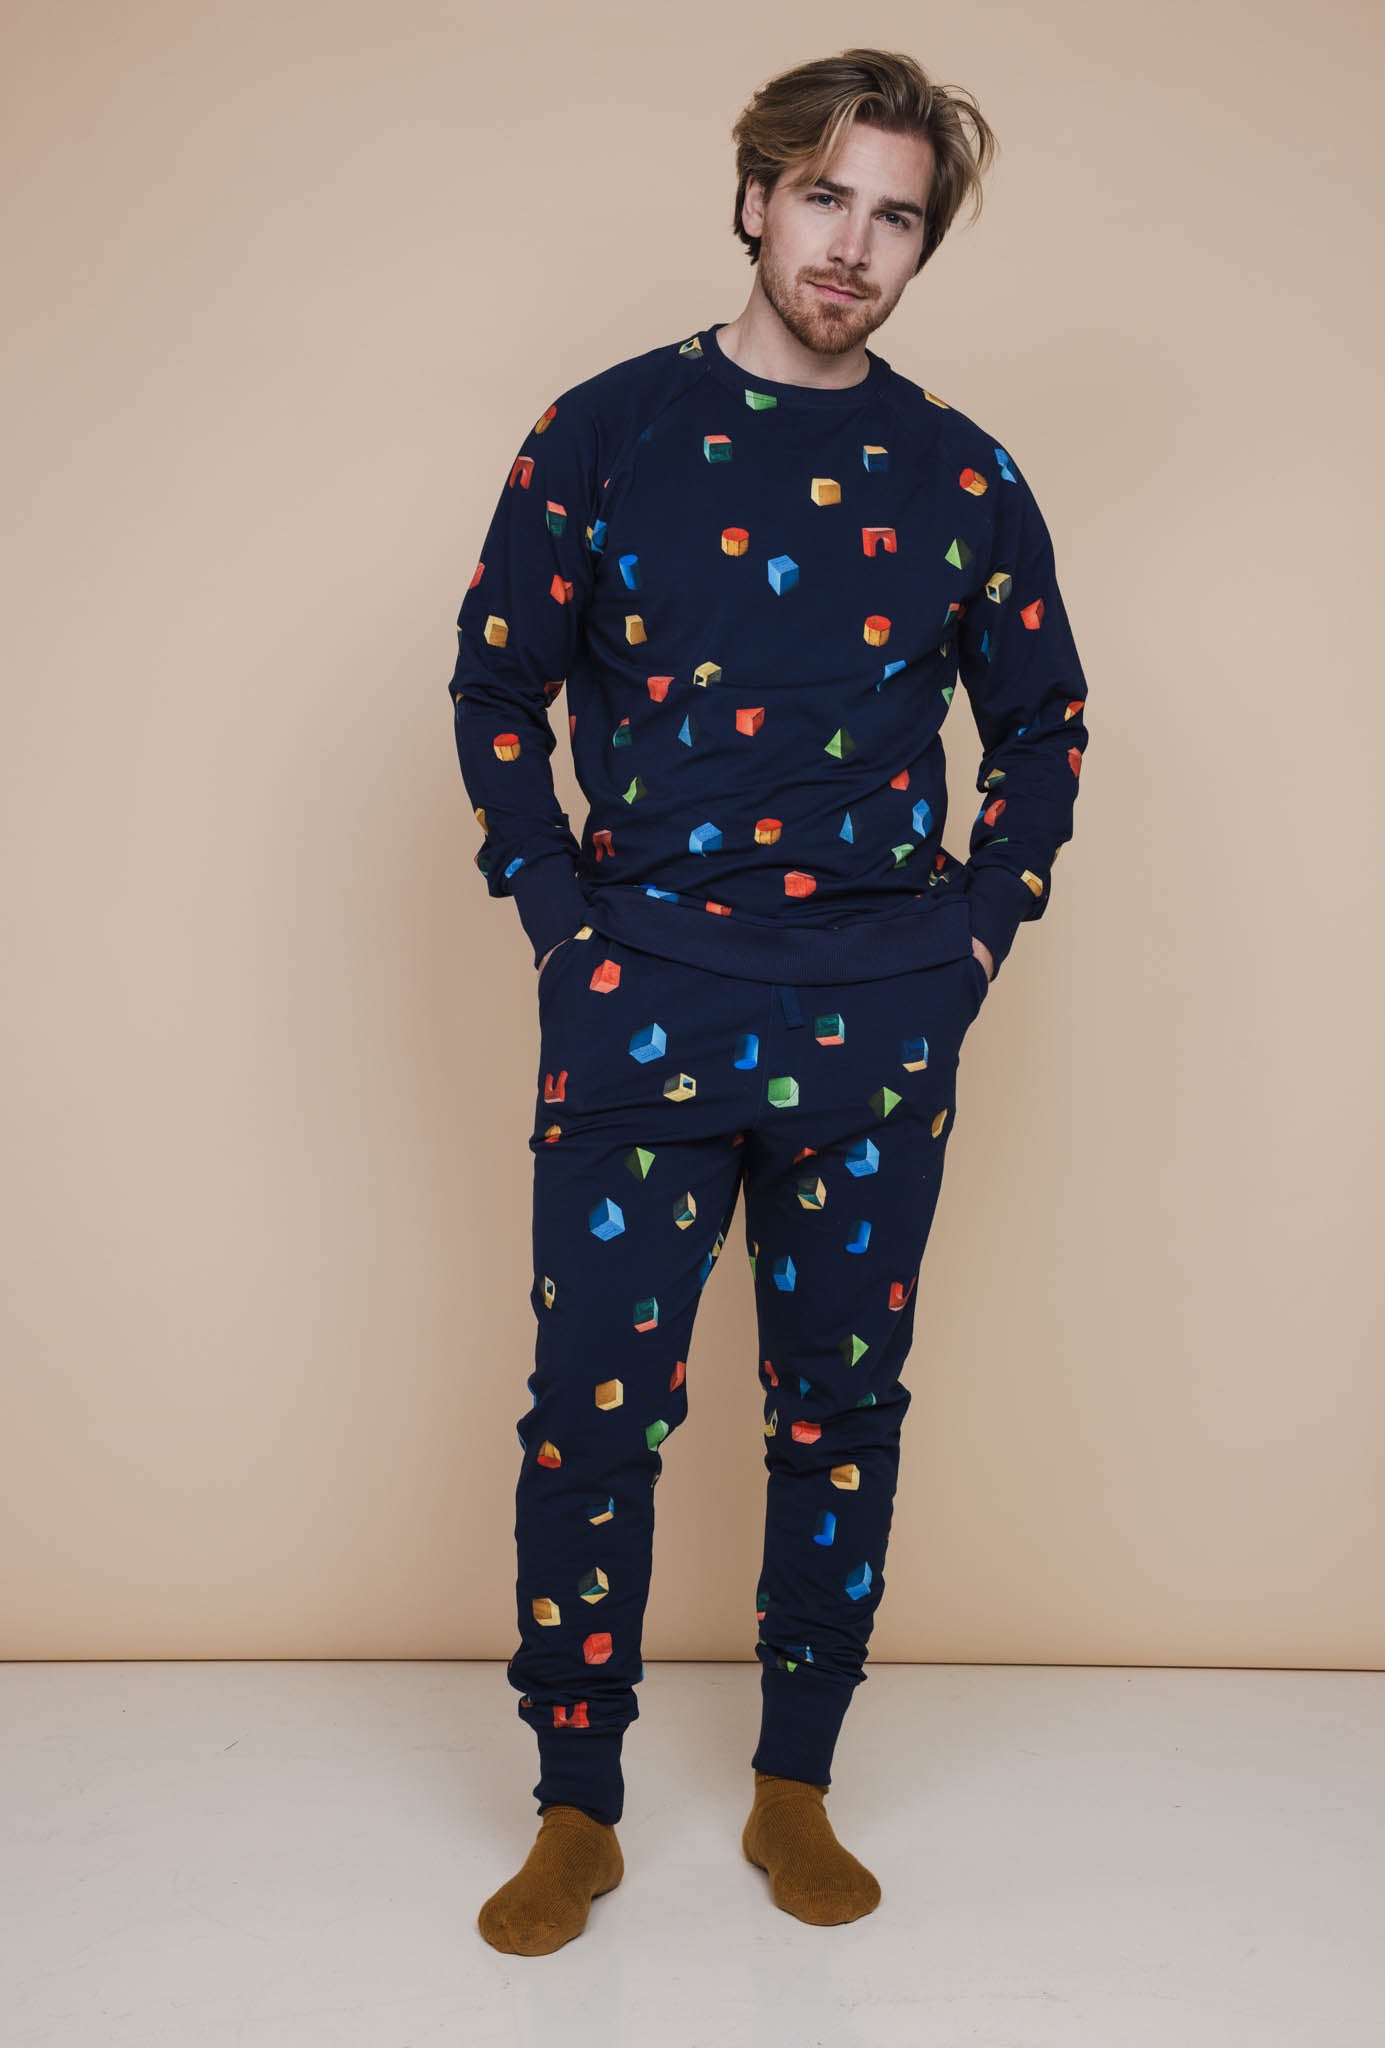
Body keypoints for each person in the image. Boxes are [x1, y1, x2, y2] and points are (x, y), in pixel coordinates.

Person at [447, 47, 1090, 1955]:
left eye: (895, 217)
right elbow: (496, 687)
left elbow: (1044, 725)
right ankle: (576, 1805)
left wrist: (979, 938)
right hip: (643, 999)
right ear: (754, 199)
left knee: (841, 1412)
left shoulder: (965, 472)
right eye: (825, 197)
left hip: (880, 1020)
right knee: (591, 1416)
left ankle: (794, 1781)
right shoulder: (603, 433)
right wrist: (558, 923)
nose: (853, 247)